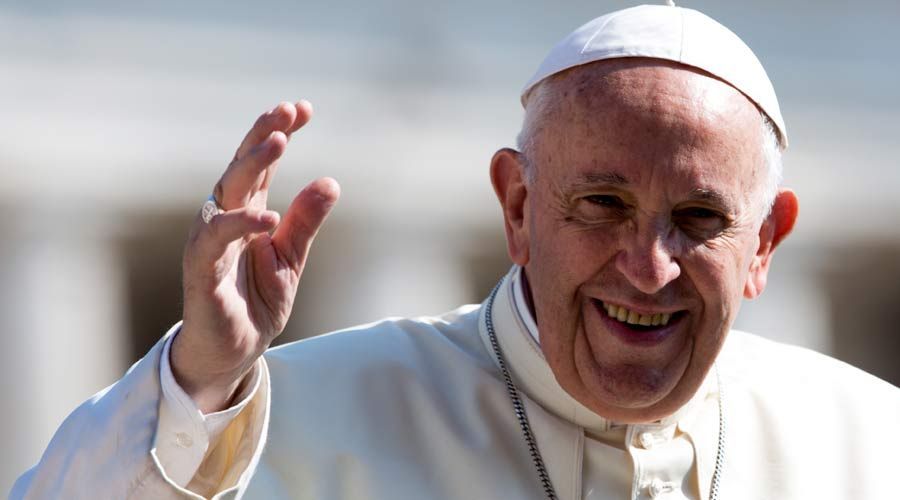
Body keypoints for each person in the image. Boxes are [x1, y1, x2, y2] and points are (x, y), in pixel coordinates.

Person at [11, 3, 899, 500]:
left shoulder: (871, 443)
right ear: (517, 205)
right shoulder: (296, 417)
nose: (649, 265)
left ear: (766, 242)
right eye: (602, 204)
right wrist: (199, 378)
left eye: (701, 218)